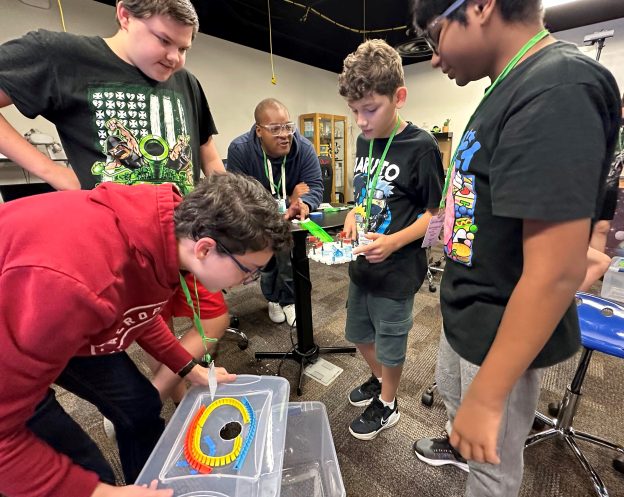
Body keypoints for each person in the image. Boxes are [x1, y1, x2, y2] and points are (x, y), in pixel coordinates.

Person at [410, 1, 621, 496]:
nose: (435, 58)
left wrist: (489, 396)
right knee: (455, 409)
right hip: (469, 308)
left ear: (480, 6)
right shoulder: (507, 85)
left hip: (502, 327)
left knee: (493, 471)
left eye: (434, 36)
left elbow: (553, 271)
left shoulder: (559, 85)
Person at [0, 172, 292, 497]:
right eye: (248, 270)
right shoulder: (76, 285)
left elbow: (135, 309)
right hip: (20, 323)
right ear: (206, 249)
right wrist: (103, 494)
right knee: (86, 472)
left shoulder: (163, 235)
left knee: (140, 407)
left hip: (50, 314)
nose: (247, 281)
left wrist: (187, 366)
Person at [0, 0, 230, 407]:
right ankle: (154, 410)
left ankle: (157, 401)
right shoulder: (62, 55)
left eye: (185, 47)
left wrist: (238, 210)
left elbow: (208, 153)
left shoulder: (186, 82)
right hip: (121, 248)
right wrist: (55, 174)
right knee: (152, 329)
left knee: (210, 316)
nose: (175, 57)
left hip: (188, 234)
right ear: (124, 15)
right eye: (164, 40)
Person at [337, 39, 444, 440]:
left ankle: (389, 401)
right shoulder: (366, 140)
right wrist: (352, 212)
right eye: (355, 111)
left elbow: (436, 215)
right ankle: (378, 381)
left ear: (398, 97)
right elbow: (364, 195)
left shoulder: (421, 147)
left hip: (397, 268)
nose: (361, 121)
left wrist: (395, 241)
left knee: (391, 343)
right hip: (363, 262)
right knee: (359, 334)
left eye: (370, 109)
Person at [226, 98, 323, 327]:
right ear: (259, 131)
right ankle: (272, 298)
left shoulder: (304, 148)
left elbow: (315, 186)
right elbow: (239, 196)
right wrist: (288, 199)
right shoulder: (240, 149)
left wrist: (304, 202)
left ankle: (289, 300)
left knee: (288, 254)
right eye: (275, 129)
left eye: (288, 126)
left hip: (291, 218)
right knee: (268, 257)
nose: (285, 134)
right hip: (257, 218)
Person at [579, 94, 624, 292]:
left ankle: (592, 272)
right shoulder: (609, 120)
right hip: (589, 181)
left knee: (602, 227)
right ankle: (581, 270)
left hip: (609, 185)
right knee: (582, 225)